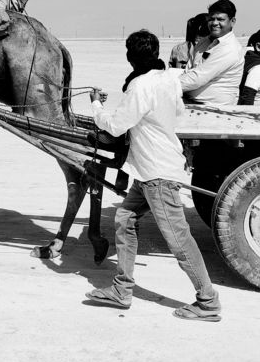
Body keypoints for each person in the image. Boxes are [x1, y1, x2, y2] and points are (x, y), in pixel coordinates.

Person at [84, 30, 221, 321]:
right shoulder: (169, 78)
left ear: (130, 57)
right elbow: (175, 111)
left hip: (157, 174)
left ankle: (208, 302)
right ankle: (122, 289)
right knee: (124, 220)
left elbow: (117, 126)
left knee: (179, 240)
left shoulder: (140, 86)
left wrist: (96, 105)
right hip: (150, 171)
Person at [178, 0, 244, 106]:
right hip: (189, 102)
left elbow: (198, 77)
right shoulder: (203, 42)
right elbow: (188, 71)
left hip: (214, 110)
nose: (214, 23)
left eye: (220, 19)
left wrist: (167, 86)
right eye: (211, 19)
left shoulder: (230, 48)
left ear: (232, 21)